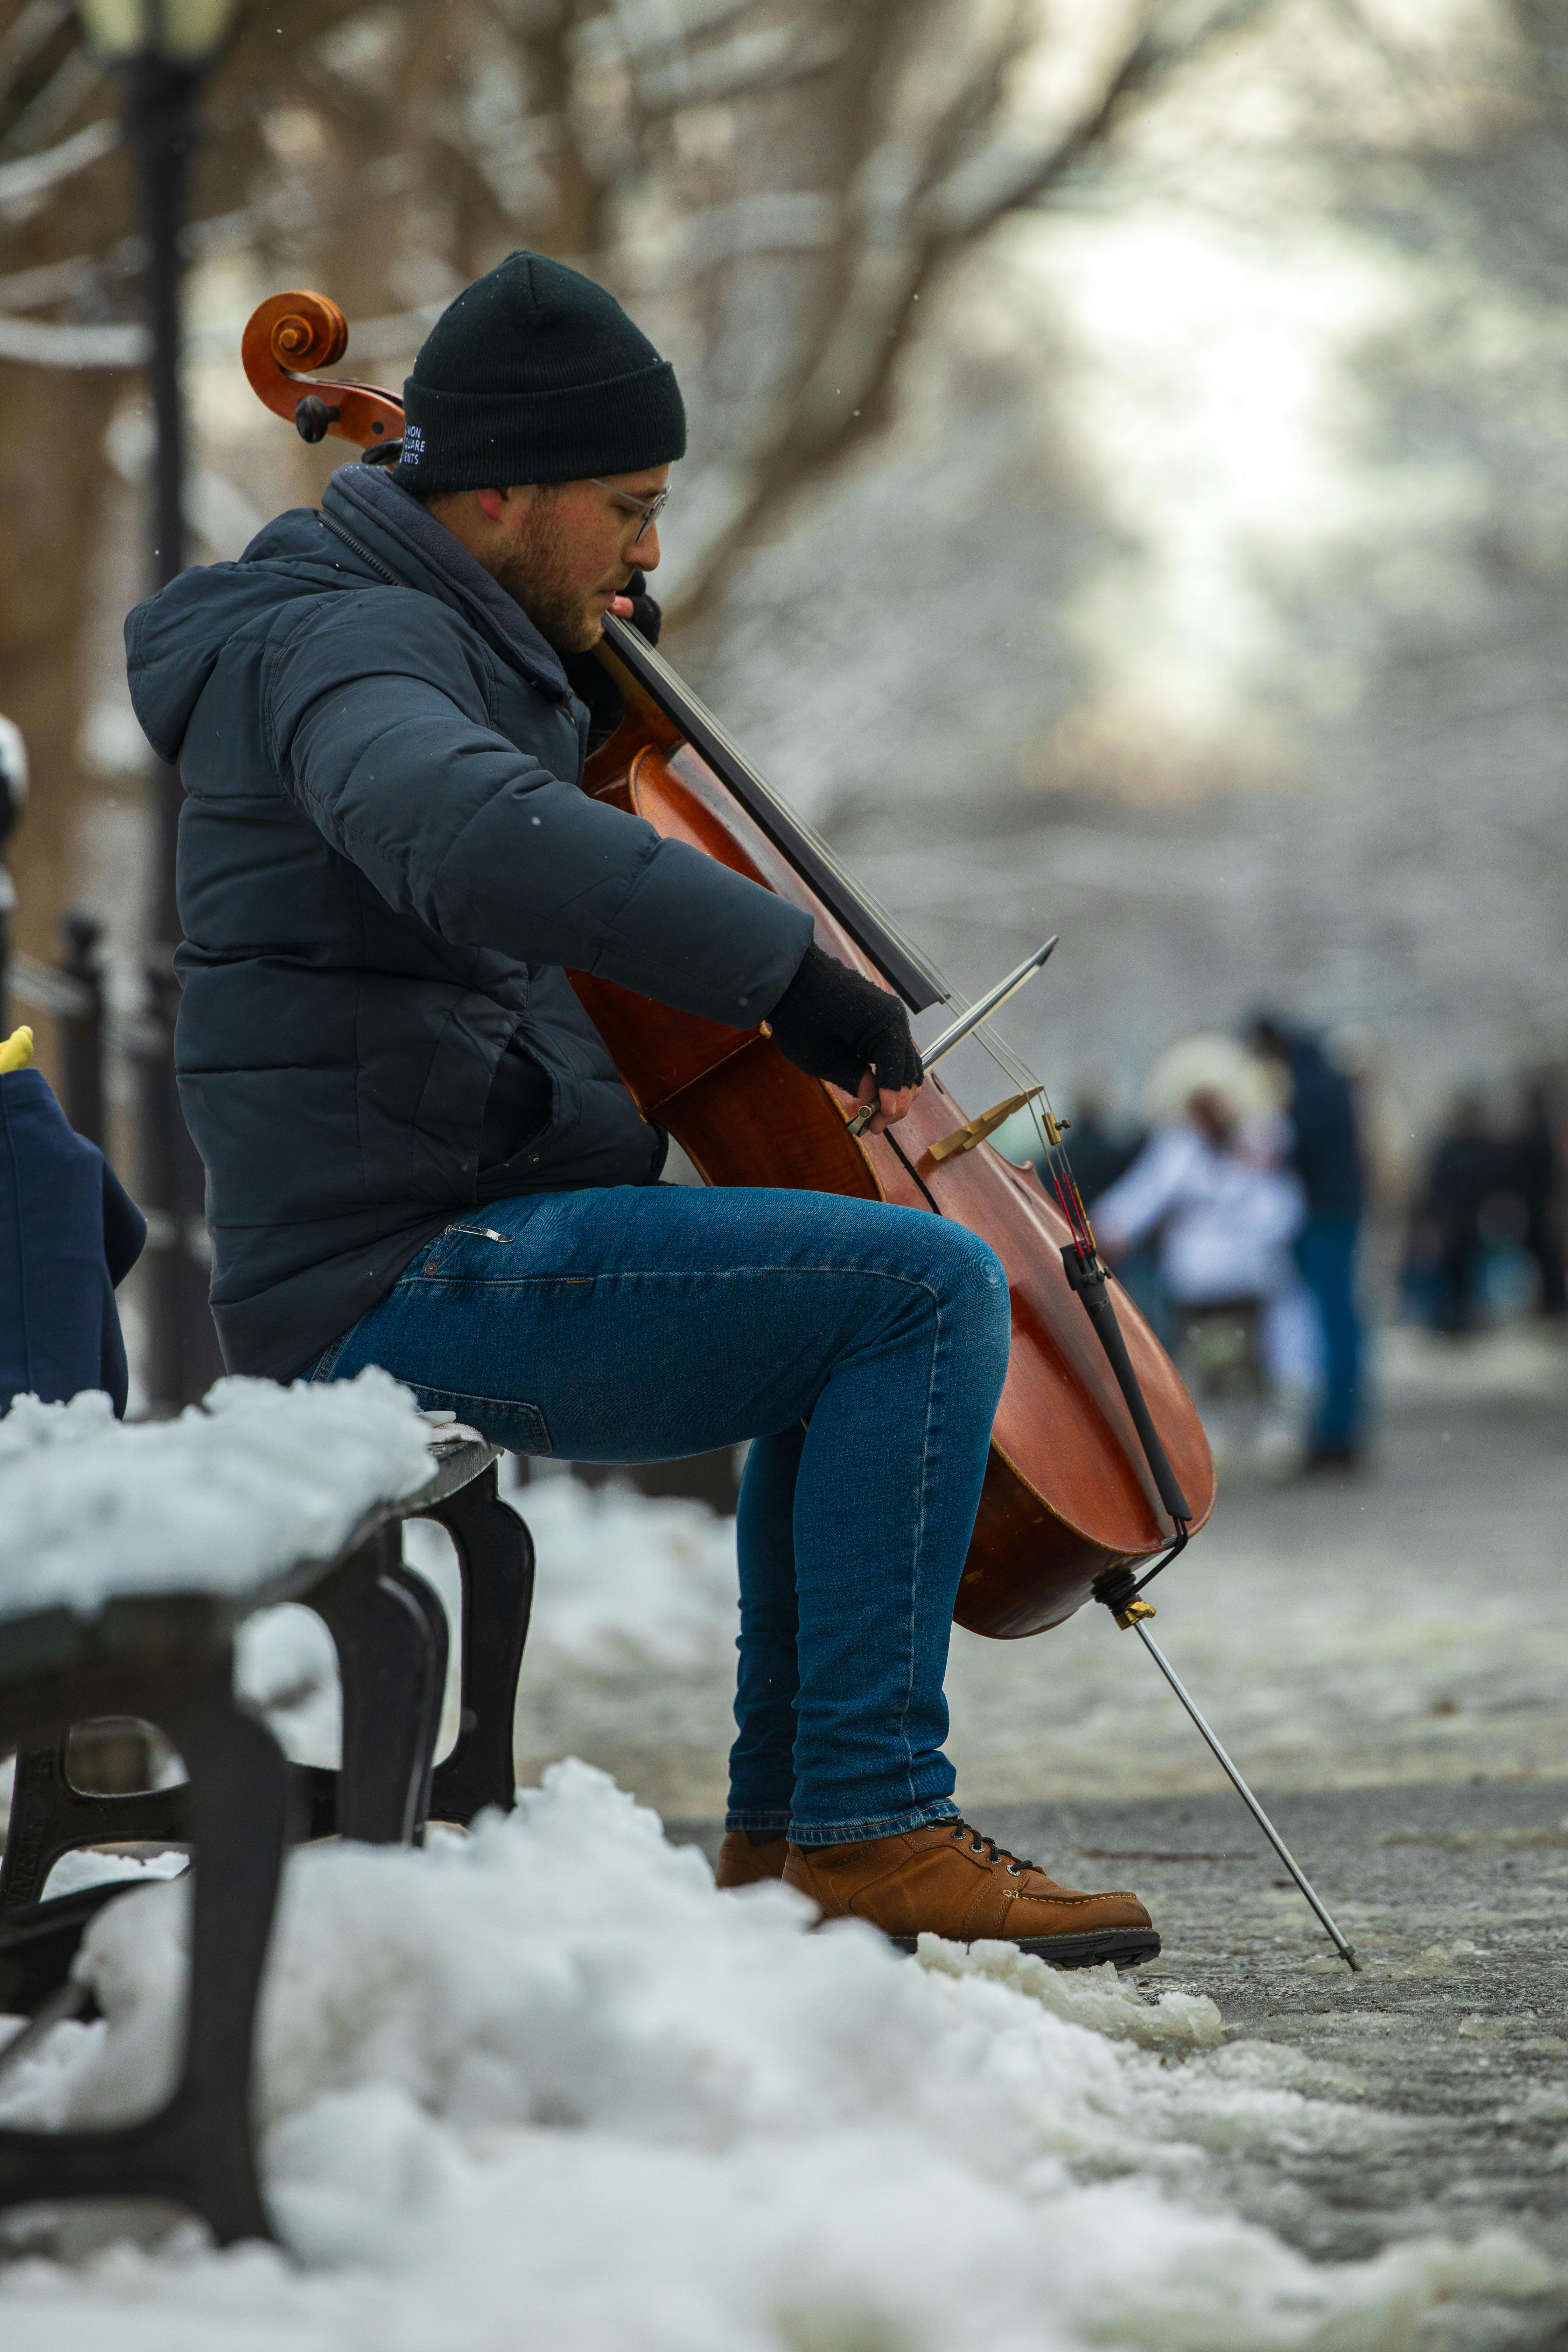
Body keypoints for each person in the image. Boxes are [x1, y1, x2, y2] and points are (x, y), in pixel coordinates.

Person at [124, 250, 1154, 1967]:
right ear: (498, 487)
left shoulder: (428, 631)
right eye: (628, 503)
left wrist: (549, 690)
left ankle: (802, 1826)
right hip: (397, 1273)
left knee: (846, 1296)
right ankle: (867, 1823)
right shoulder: (346, 647)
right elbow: (451, 828)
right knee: (916, 1287)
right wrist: (779, 967)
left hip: (439, 1226)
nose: (650, 547)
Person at [1091, 1035, 1306, 1474]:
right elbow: (1143, 1197)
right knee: (1213, 1359)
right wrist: (1108, 1228)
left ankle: (1265, 1434)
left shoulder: (1257, 1144)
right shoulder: (1181, 1148)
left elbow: (1280, 1206)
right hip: (1207, 1275)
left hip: (1242, 1271)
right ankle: (1220, 1438)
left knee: (1252, 1357)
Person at [1248, 1014, 1365, 1468]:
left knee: (1332, 1325)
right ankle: (1338, 1426)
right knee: (1338, 1323)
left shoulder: (1310, 1088)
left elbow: (1293, 1149)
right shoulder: (1326, 1081)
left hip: (1325, 1216)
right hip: (1336, 1212)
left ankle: (1336, 1431)